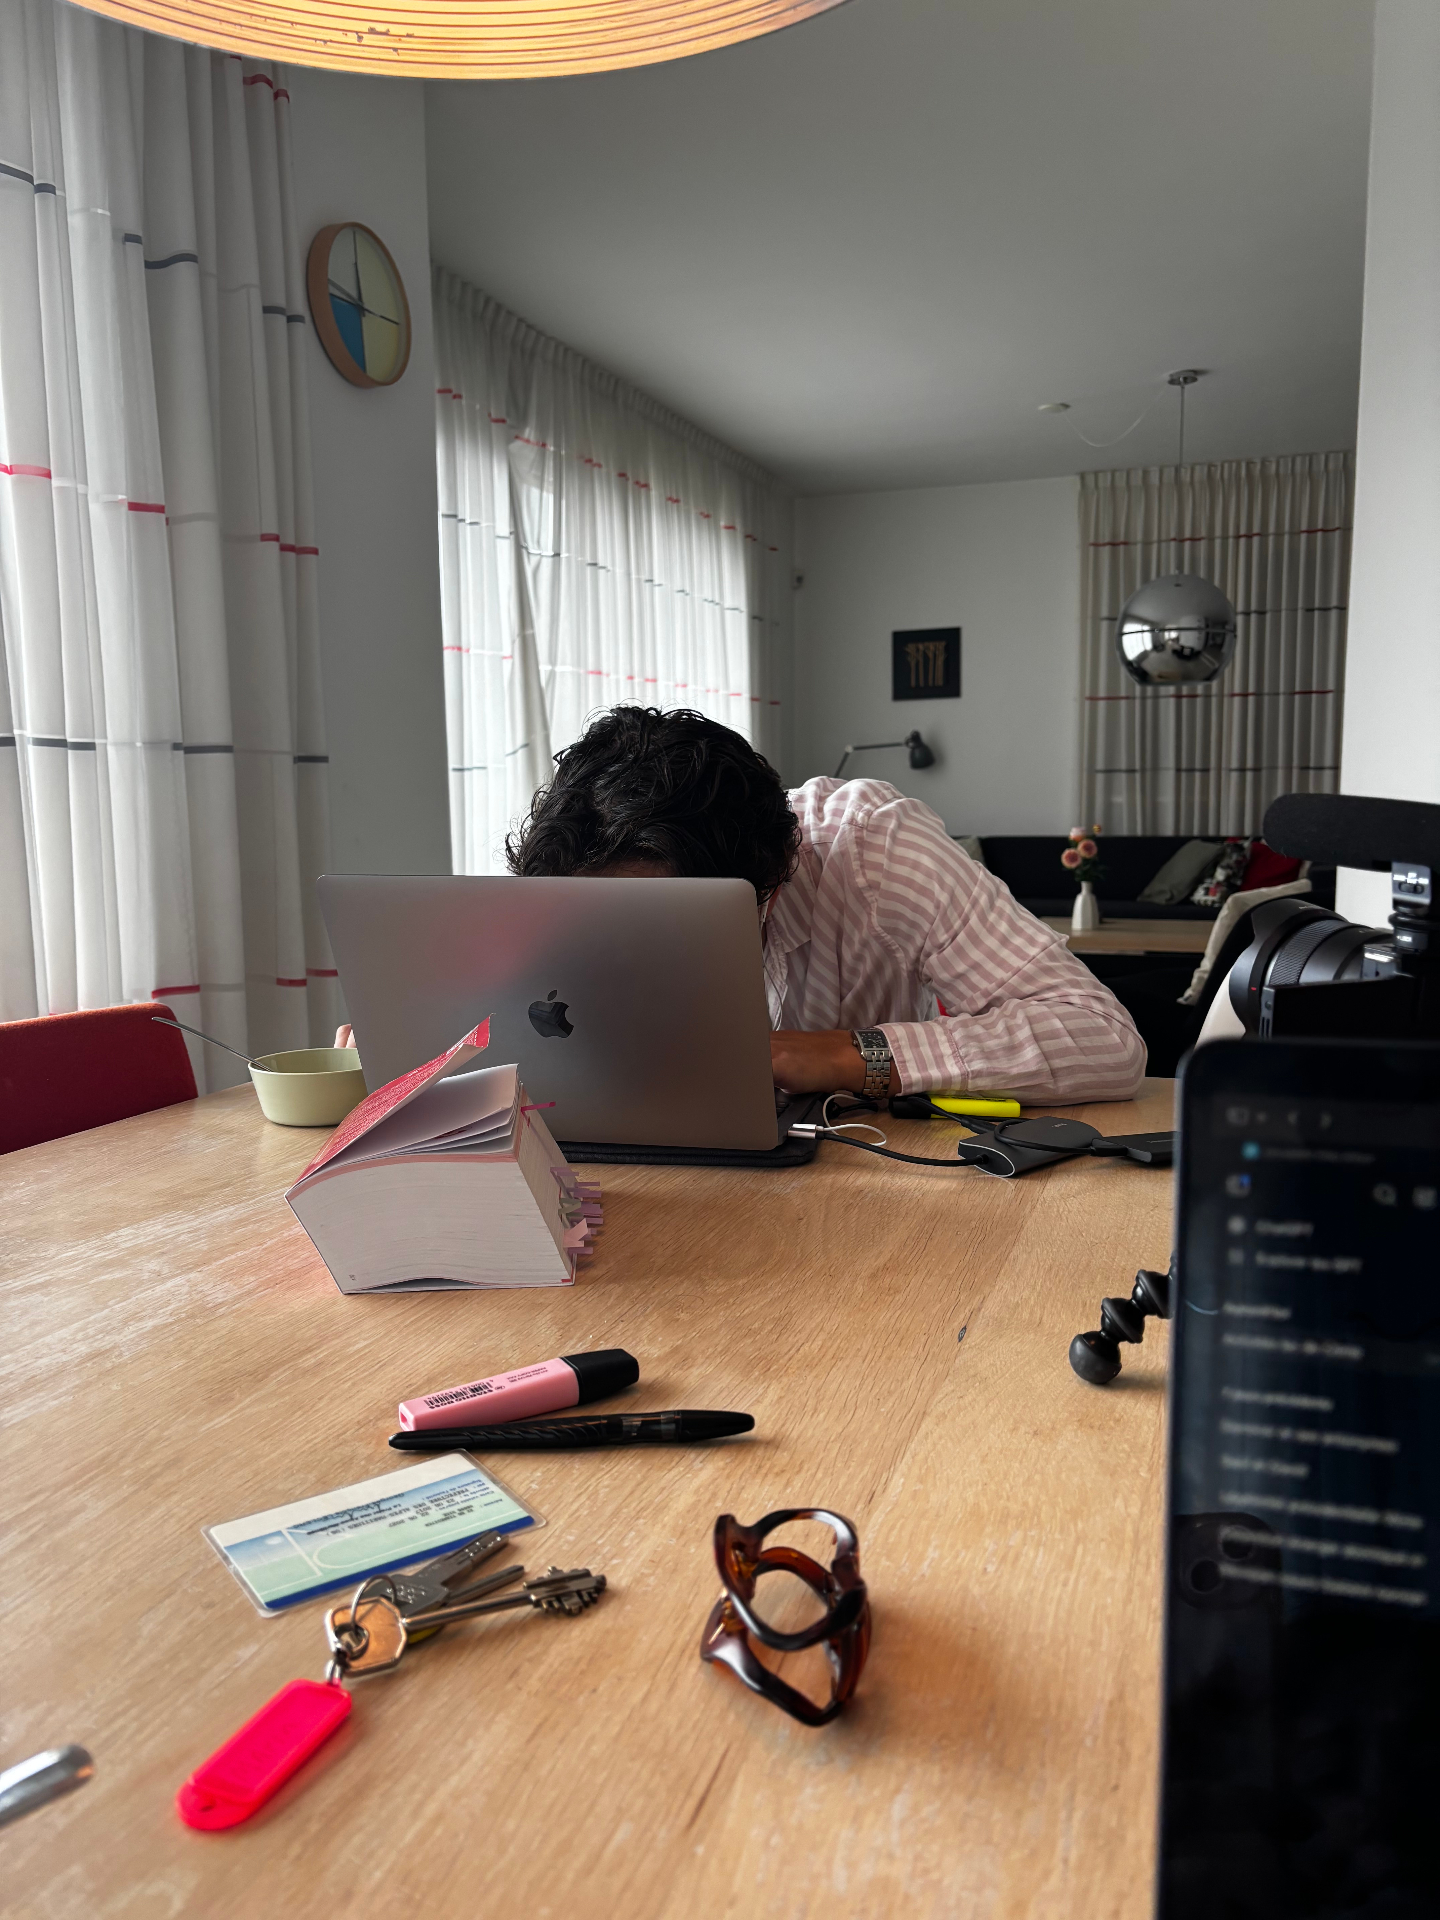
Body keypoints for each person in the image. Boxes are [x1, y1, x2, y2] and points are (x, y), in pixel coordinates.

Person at [500, 706, 1145, 1105]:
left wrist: (847, 1055)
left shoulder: (877, 848)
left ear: (771, 888)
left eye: (651, 930)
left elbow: (1105, 1039)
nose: (622, 958)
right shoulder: (577, 872)